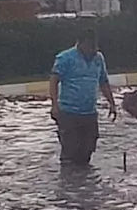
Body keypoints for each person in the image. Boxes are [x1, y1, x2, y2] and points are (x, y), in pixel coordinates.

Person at [49, 29, 117, 166]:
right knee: (70, 152)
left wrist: (112, 104)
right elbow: (53, 80)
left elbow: (103, 82)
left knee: (88, 150)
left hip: (90, 113)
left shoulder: (98, 58)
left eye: (95, 46)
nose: (93, 50)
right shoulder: (65, 58)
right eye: (90, 46)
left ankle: (84, 183)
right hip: (69, 112)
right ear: (80, 43)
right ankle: (69, 183)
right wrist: (54, 105)